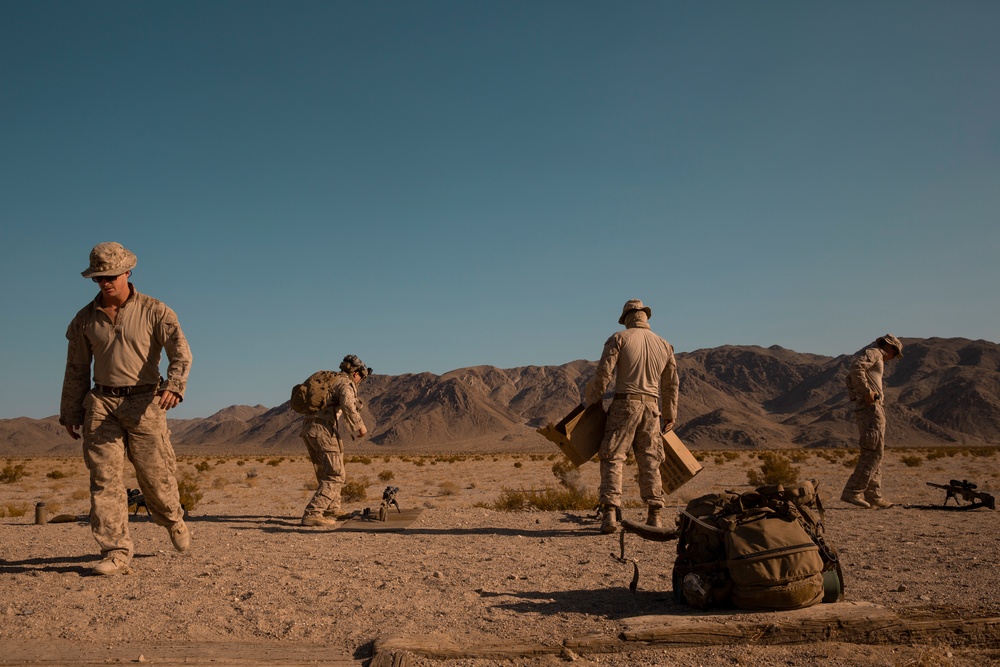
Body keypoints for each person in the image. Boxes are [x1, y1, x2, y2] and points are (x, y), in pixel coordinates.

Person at [60, 242, 193, 575]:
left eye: (110, 276)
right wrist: (71, 412)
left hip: (145, 403)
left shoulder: (156, 311)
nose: (105, 283)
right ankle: (116, 550)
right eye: (98, 278)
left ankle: (172, 518)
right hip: (102, 404)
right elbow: (76, 368)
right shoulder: (84, 320)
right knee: (104, 480)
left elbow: (181, 353)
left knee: (156, 479)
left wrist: (174, 386)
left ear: (127, 273)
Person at [585, 299, 680, 534]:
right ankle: (654, 515)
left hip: (625, 404)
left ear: (627, 317)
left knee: (613, 456)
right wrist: (669, 414)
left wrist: (593, 402)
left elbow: (603, 373)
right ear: (645, 317)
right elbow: (671, 385)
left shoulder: (619, 338)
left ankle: (609, 514)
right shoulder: (665, 345)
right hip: (652, 408)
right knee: (650, 460)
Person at [299, 354, 371, 527]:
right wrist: (359, 426)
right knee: (335, 474)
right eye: (361, 376)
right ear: (356, 373)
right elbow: (348, 404)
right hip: (323, 429)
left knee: (326, 472)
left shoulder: (330, 379)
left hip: (310, 428)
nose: (360, 380)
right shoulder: (345, 383)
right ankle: (313, 513)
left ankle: (332, 508)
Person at [841, 334, 904, 509]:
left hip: (873, 407)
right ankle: (852, 491)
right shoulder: (875, 353)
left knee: (877, 451)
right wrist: (865, 393)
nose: (893, 358)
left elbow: (849, 378)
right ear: (890, 347)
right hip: (870, 408)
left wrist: (857, 394)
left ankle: (874, 495)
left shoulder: (877, 358)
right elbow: (856, 367)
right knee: (873, 452)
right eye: (895, 352)